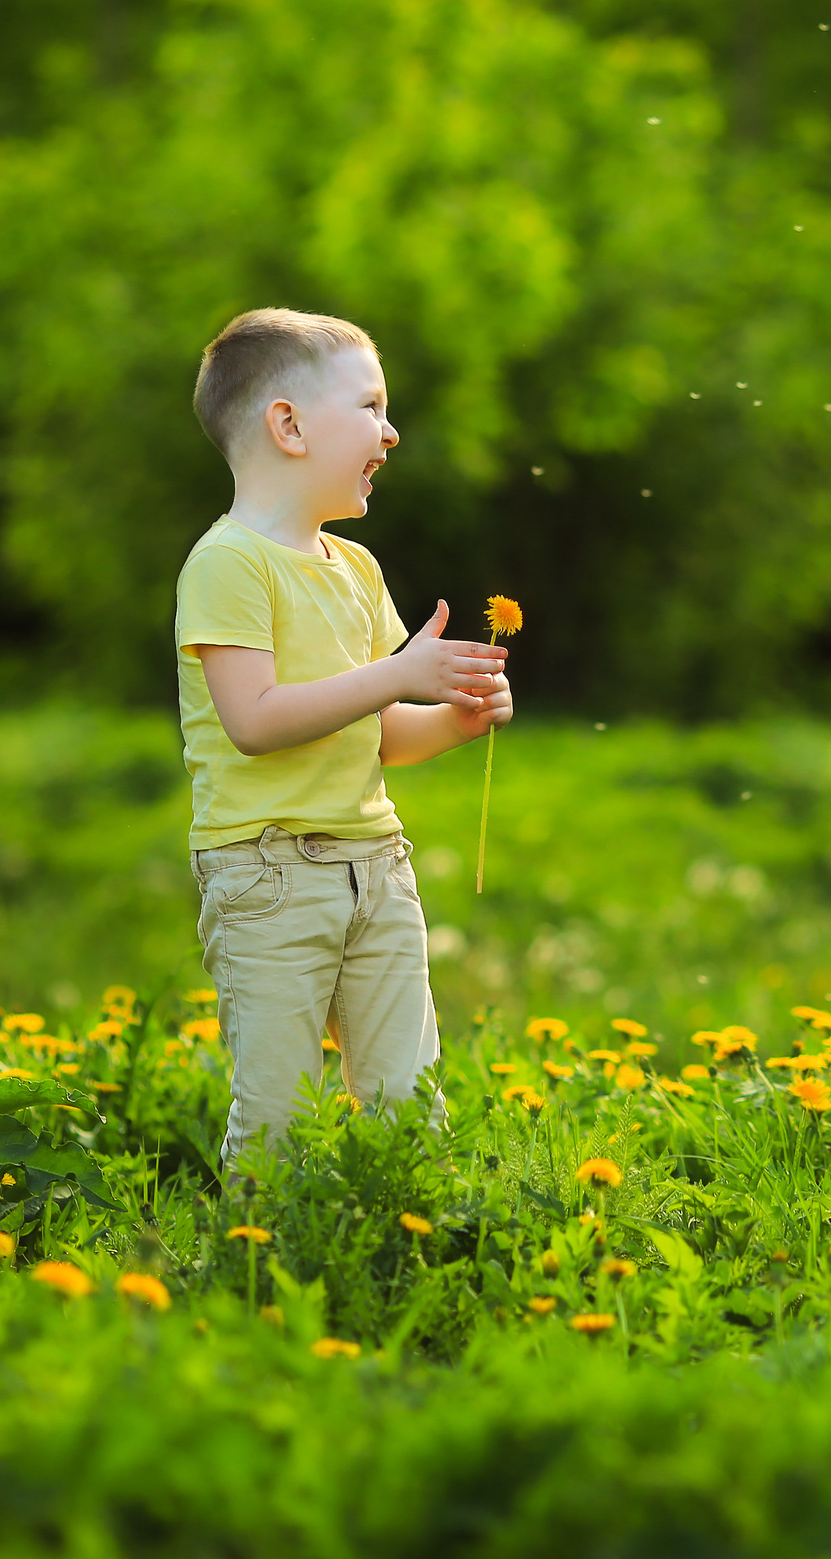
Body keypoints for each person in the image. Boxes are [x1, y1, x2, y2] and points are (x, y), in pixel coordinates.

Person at [174, 308, 510, 1166]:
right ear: (287, 425)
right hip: (267, 873)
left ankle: (410, 1232)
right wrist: (398, 674)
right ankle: (257, 1244)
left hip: (377, 867)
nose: (390, 433)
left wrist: (456, 719)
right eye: (370, 407)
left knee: (409, 1098)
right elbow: (254, 721)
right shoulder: (228, 563)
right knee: (277, 1111)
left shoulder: (356, 568)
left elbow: (380, 734)